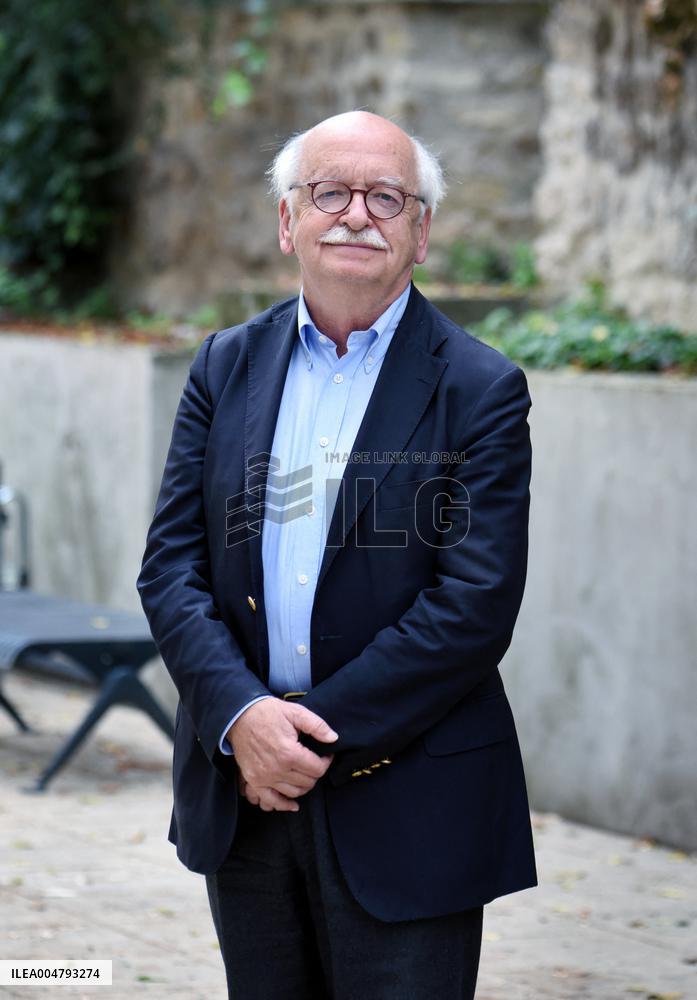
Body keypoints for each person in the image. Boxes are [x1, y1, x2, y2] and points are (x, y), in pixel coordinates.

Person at [137, 110, 537, 1000]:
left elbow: (472, 606)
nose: (356, 213)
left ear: (420, 232)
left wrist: (305, 737)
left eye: (387, 197)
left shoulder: (480, 389)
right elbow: (171, 567)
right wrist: (242, 719)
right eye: (329, 192)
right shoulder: (223, 365)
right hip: (243, 791)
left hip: (407, 802)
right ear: (288, 221)